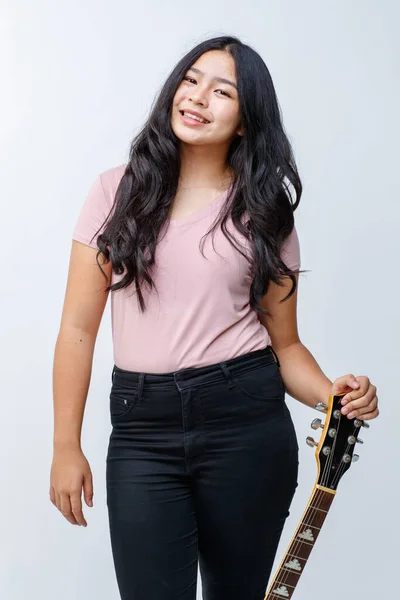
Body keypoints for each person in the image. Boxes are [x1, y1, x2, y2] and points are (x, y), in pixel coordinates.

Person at [50, 35, 379, 600]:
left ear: (247, 119)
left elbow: (286, 347)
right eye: (191, 80)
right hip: (141, 429)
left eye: (222, 91)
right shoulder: (115, 192)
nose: (198, 97)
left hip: (245, 424)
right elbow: (77, 330)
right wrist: (64, 445)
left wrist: (336, 395)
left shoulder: (265, 210)